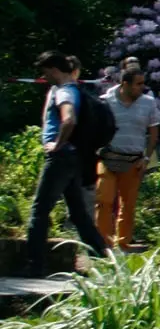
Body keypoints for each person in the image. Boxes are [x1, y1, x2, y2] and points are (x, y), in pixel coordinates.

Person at [23, 52, 111, 276]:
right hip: (74, 158)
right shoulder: (75, 89)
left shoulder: (64, 91)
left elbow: (69, 119)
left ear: (54, 69)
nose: (45, 77)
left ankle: (35, 265)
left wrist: (58, 144)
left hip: (61, 158)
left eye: (45, 72)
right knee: (78, 213)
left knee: (39, 210)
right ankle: (105, 259)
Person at [96, 66, 160, 248]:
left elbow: (153, 133)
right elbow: (96, 127)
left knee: (128, 205)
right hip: (108, 158)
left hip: (134, 159)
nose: (142, 87)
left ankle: (123, 244)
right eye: (138, 84)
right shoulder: (105, 101)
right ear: (125, 84)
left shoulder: (149, 103)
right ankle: (102, 245)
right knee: (104, 201)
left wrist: (146, 158)